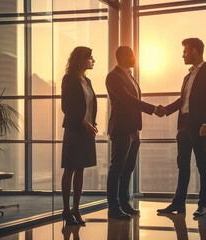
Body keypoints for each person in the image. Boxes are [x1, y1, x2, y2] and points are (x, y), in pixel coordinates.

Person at [157, 38, 206, 217]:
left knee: (201, 165)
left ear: (193, 51)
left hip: (199, 126)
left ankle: (203, 204)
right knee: (182, 165)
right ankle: (179, 203)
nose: (182, 55)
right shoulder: (187, 76)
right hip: (183, 125)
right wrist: (165, 110)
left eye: (185, 51)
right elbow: (183, 100)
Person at [106, 46, 166, 220]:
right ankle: (114, 207)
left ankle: (124, 203)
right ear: (123, 56)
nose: (134, 57)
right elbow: (127, 99)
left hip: (133, 129)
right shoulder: (113, 76)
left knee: (128, 168)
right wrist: (153, 108)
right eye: (131, 55)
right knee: (117, 168)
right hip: (122, 129)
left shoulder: (129, 75)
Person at [61, 46, 98, 225]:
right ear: (81, 59)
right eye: (90, 57)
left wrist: (92, 123)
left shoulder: (87, 81)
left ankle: (76, 209)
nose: (93, 60)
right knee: (70, 169)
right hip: (75, 130)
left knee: (81, 169)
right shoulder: (69, 79)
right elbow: (66, 107)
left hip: (87, 131)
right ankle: (66, 210)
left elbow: (90, 106)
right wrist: (84, 122)